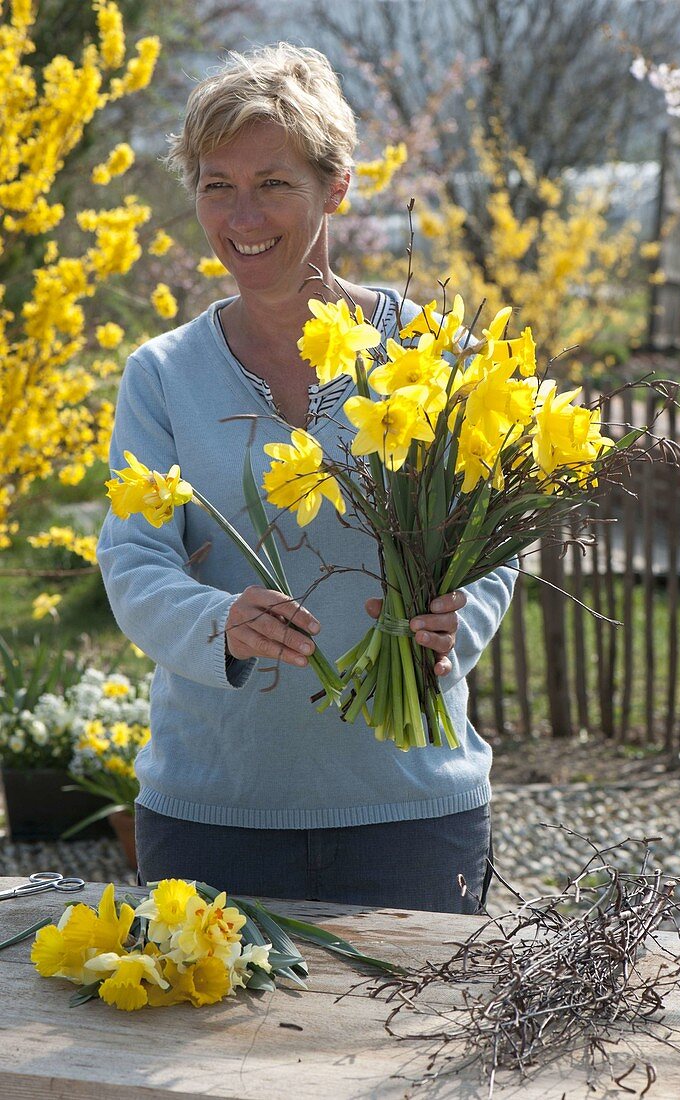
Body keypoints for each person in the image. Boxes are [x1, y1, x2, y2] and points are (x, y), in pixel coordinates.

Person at [97, 43, 516, 913]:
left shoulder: (433, 356)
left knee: (409, 1051)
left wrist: (454, 621)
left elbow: (489, 546)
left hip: (410, 805)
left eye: (273, 183)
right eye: (217, 185)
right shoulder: (162, 374)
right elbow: (134, 563)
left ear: (337, 187)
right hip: (213, 809)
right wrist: (221, 623)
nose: (242, 214)